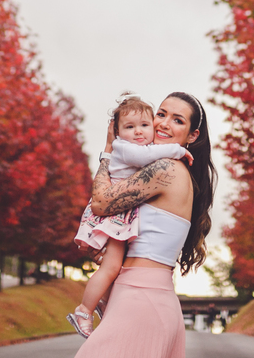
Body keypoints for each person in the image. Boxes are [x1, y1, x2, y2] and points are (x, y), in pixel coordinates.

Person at [75, 92, 216, 358]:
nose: (163, 124)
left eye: (177, 120)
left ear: (192, 135)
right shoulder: (179, 172)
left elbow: (100, 202)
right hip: (148, 296)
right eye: (161, 114)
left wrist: (108, 151)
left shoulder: (166, 169)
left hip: (140, 299)